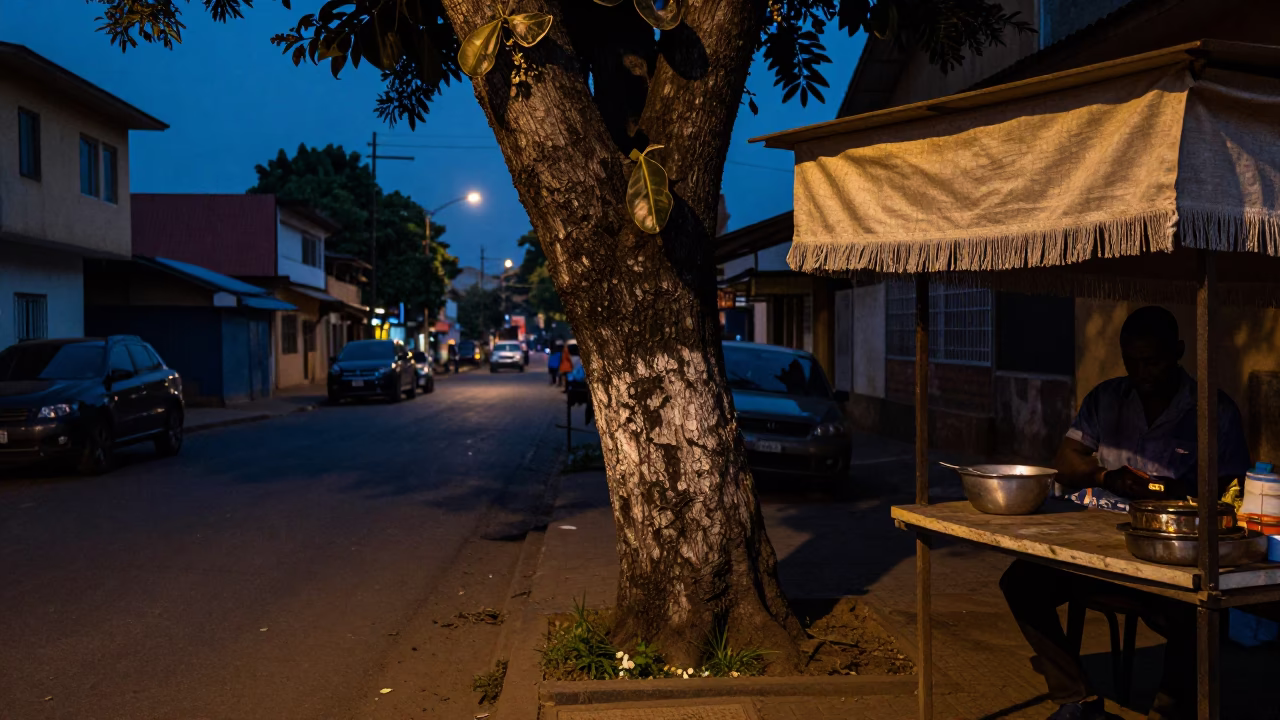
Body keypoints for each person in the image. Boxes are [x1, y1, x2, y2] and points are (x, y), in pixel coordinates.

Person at [1001, 306, 1251, 720]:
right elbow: (1065, 462)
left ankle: (1168, 710)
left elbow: (1233, 491)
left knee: (1197, 613)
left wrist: (1180, 494)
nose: (1141, 372)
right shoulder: (1106, 397)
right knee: (1020, 582)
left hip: (1166, 550)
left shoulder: (1213, 411)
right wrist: (1107, 477)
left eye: (1152, 361)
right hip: (1095, 542)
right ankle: (1077, 696)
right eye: (1131, 362)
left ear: (1179, 352)